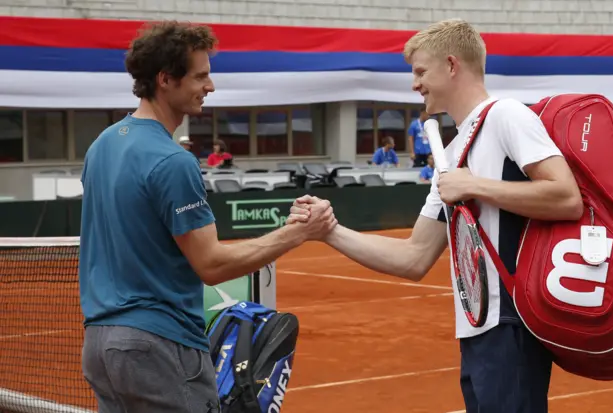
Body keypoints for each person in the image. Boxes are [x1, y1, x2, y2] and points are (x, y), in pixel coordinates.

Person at [287, 18, 583, 413]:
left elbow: (566, 197)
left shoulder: (506, 114)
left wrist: (474, 186)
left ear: (451, 65)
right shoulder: (453, 151)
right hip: (478, 330)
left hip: (512, 326)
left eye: (420, 71)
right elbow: (413, 257)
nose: (415, 83)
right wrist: (330, 231)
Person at [78, 21, 337, 413]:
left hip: (101, 347)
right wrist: (297, 233)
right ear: (166, 79)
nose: (210, 86)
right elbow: (212, 264)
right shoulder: (173, 161)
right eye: (200, 76)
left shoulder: (102, 145)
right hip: (159, 347)